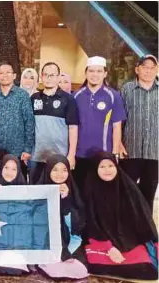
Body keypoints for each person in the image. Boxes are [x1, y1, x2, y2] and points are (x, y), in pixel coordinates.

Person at [83, 152, 158, 280]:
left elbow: (142, 218)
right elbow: (89, 222)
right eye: (102, 167)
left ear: (116, 167)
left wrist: (153, 242)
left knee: (148, 270)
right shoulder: (90, 189)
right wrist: (108, 247)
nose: (107, 170)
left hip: (129, 241)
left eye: (110, 166)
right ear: (96, 169)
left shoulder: (128, 188)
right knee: (89, 265)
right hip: (100, 240)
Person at [73, 56, 126, 194]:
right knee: (81, 192)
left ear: (105, 73)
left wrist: (114, 154)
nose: (94, 75)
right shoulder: (76, 96)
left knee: (101, 194)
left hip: (103, 156)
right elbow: (72, 127)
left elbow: (116, 126)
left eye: (98, 71)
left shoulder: (113, 96)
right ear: (86, 73)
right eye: (91, 71)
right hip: (80, 154)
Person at [36, 154, 88, 279]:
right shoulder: (38, 190)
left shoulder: (74, 191)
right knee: (54, 269)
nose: (60, 174)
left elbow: (78, 224)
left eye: (64, 170)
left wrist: (65, 199)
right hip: (46, 242)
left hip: (71, 240)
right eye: (55, 170)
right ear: (48, 171)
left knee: (79, 268)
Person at [0, 62, 35, 182]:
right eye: (1, 73)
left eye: (8, 72)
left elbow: (29, 123)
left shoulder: (22, 95)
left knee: (16, 184)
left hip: (18, 151)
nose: (4, 75)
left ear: (14, 75)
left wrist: (27, 149)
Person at [120, 54, 158, 212]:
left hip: (155, 152)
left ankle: (145, 232)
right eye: (145, 67)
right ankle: (125, 230)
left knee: (148, 194)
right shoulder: (127, 89)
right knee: (126, 192)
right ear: (137, 69)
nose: (148, 71)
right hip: (130, 151)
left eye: (152, 68)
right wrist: (119, 143)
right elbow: (119, 119)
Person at [30, 62, 78, 184]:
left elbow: (73, 128)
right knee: (35, 191)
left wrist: (71, 155)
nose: (48, 78)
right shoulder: (34, 98)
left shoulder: (68, 99)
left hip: (60, 156)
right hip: (36, 156)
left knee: (59, 192)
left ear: (58, 77)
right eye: (45, 75)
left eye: (52, 75)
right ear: (41, 76)